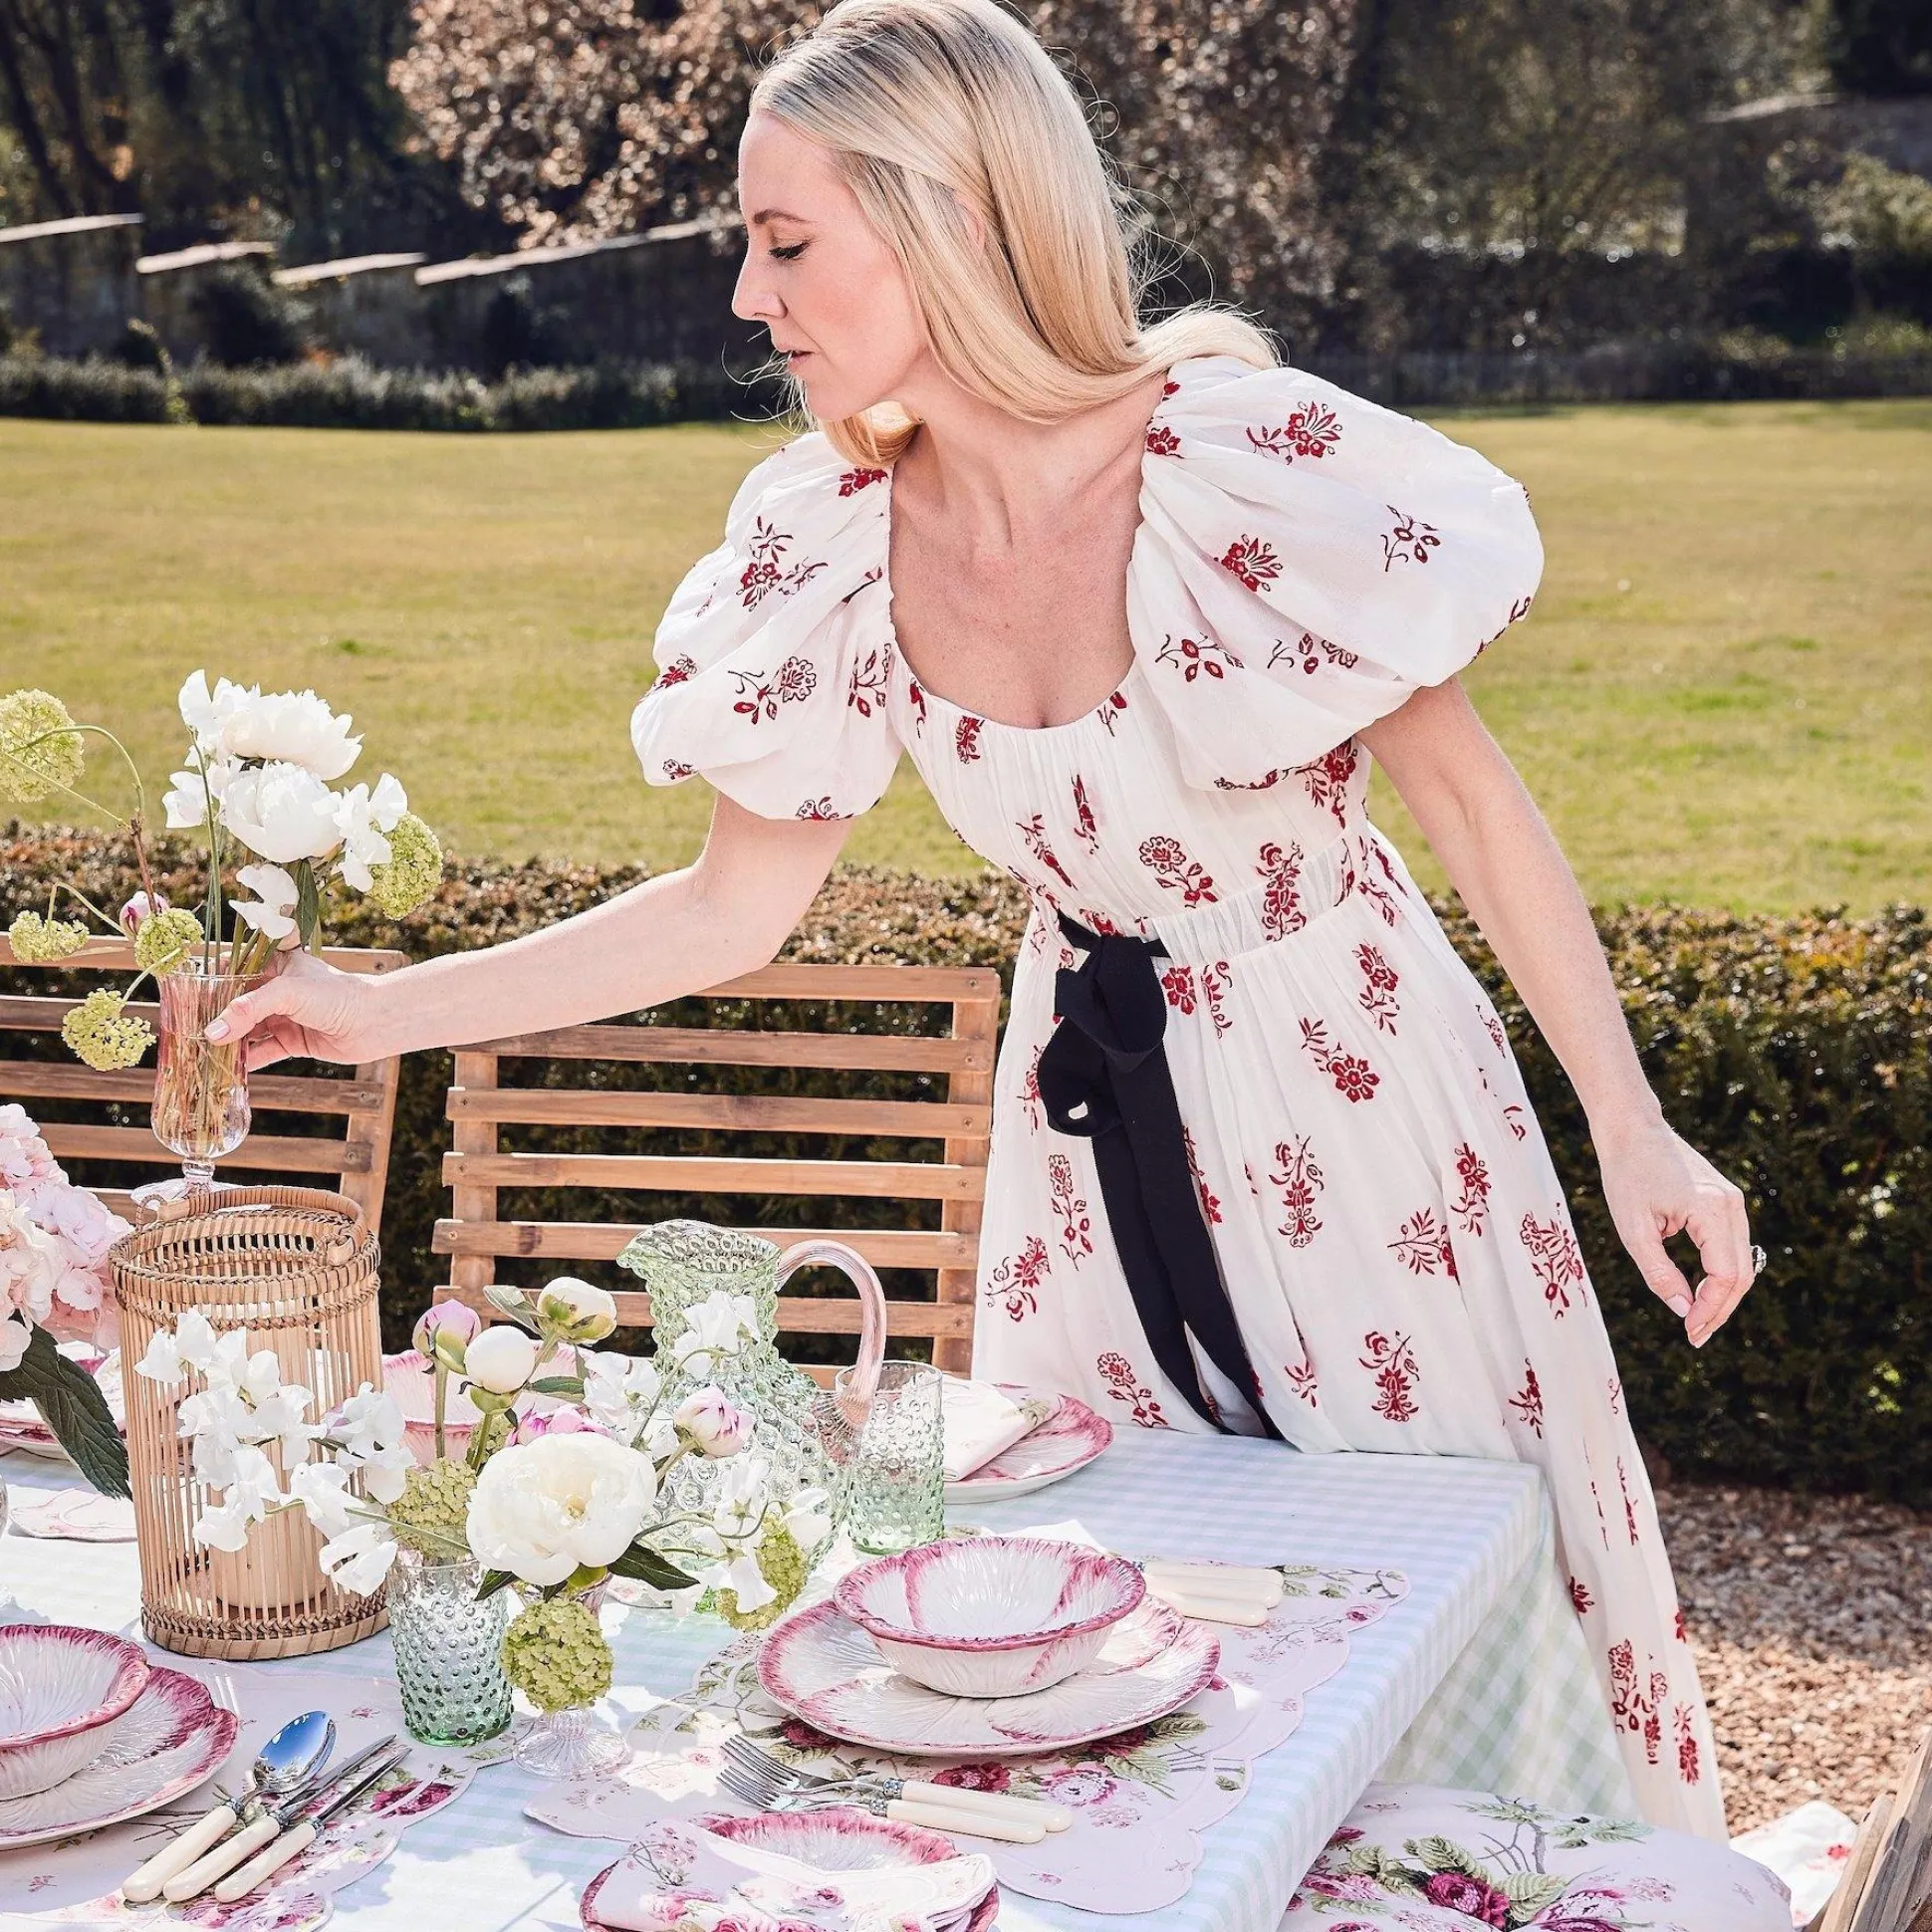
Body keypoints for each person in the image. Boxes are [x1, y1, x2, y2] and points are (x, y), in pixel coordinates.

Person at [205, 0, 1758, 1837]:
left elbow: (1481, 825)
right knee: (1105, 1645)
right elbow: (727, 908)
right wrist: (375, 1010)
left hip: (1365, 1116)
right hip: (1086, 1146)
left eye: (788, 243)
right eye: (748, 245)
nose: (746, 297)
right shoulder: (832, 540)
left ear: (951, 219)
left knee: (1444, 1580)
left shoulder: (1241, 471)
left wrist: (1635, 1121)